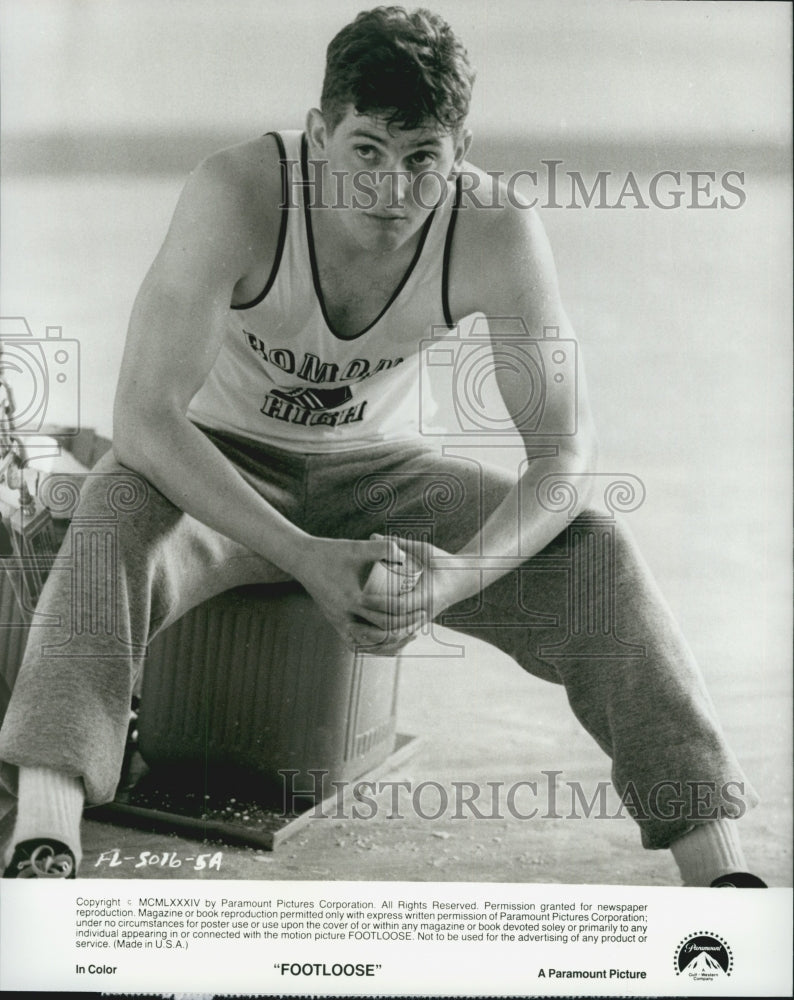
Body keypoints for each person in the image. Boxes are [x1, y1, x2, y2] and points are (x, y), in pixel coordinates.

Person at [0, 5, 765, 885]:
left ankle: (719, 870)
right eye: (366, 151)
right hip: (219, 465)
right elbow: (145, 419)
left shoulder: (495, 229)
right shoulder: (238, 192)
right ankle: (45, 834)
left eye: (421, 160)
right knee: (114, 500)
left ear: (460, 151)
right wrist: (299, 552)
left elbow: (562, 453)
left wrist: (456, 577)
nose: (392, 193)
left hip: (382, 478)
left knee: (595, 549)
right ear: (320, 133)